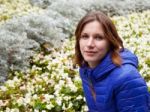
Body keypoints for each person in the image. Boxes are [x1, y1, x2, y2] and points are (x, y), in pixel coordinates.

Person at [74, 11, 150, 112]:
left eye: (98, 37)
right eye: (85, 36)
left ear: (110, 41)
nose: (89, 44)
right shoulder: (86, 70)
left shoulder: (127, 78)